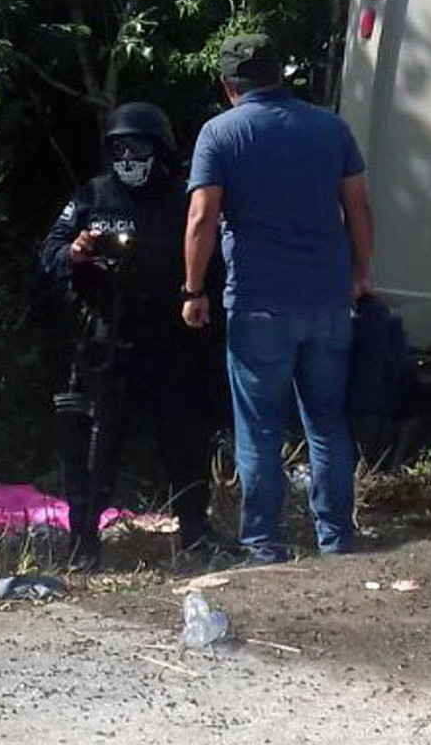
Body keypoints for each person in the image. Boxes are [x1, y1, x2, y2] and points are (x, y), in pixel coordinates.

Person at [181, 34, 373, 564]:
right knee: (328, 423)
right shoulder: (330, 128)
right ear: (280, 74)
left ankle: (265, 544)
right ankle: (336, 539)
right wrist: (362, 273)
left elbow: (202, 218)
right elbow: (358, 206)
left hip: (258, 303)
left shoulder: (219, 134)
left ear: (228, 86)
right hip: (328, 300)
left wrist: (193, 290)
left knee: (261, 427)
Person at [40, 102, 215, 569]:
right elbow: (49, 253)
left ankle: (196, 534)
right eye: (119, 148)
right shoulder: (92, 197)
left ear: (159, 150)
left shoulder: (182, 201)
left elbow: (212, 260)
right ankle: (83, 545)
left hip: (171, 343)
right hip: (105, 346)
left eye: (138, 147)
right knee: (93, 452)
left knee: (185, 444)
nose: (129, 158)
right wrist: (75, 253)